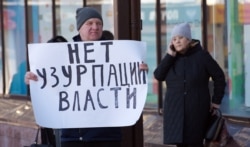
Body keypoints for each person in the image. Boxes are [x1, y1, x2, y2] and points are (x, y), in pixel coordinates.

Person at [25, 7, 148, 147]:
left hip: (107, 136)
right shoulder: (63, 55)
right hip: (74, 136)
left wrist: (138, 73)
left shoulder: (118, 54)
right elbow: (52, 87)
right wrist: (34, 81)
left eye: (98, 23)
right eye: (89, 23)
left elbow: (126, 81)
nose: (95, 27)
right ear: (79, 28)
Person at [153, 22, 226, 147]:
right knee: (179, 143)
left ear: (188, 39)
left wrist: (216, 101)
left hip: (196, 111)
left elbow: (219, 77)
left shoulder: (202, 56)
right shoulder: (170, 59)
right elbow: (158, 75)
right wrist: (169, 56)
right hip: (175, 110)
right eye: (174, 39)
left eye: (181, 37)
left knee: (195, 143)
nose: (177, 41)